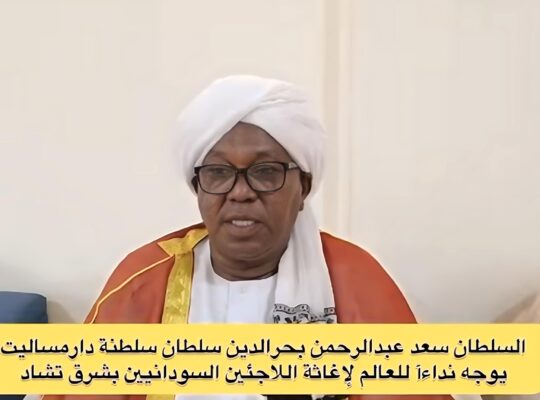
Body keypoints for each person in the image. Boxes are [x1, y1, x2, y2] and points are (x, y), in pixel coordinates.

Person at [40, 75, 455, 400]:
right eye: (219, 173)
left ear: (303, 188)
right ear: (198, 188)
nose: (241, 192)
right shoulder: (145, 280)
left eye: (265, 172)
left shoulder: (356, 280)